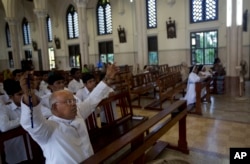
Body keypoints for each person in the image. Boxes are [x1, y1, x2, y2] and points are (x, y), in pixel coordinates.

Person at [20, 63, 119, 163]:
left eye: (73, 101)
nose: (73, 104)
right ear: (54, 107)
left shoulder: (77, 114)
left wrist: (107, 78)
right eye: (68, 102)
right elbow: (31, 123)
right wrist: (29, 94)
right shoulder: (48, 129)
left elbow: (92, 100)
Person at [0, 79, 29, 163]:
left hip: (31, 146)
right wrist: (24, 119)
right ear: (11, 97)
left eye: (24, 93)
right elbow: (4, 127)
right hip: (15, 148)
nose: (23, 96)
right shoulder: (5, 109)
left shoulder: (29, 105)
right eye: (19, 94)